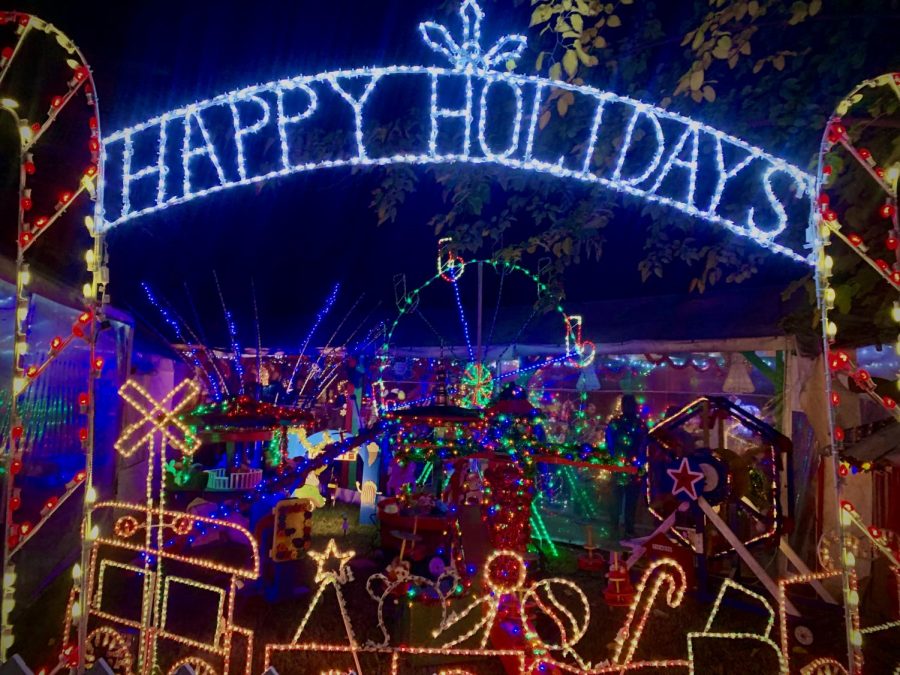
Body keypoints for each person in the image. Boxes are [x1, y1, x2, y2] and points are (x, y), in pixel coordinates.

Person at [605, 395, 647, 539]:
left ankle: (616, 528)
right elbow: (643, 446)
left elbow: (609, 443)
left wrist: (615, 458)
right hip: (630, 468)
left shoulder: (616, 423)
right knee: (628, 500)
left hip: (621, 466)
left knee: (619, 499)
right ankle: (627, 529)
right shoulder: (639, 424)